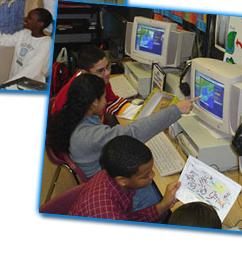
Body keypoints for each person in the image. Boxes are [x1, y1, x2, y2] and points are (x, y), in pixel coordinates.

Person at [46, 73, 198, 209]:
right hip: (106, 189)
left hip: (99, 177)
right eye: (104, 97)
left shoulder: (74, 115)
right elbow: (132, 133)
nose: (106, 101)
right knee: (158, 193)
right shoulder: (88, 135)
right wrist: (176, 110)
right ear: (93, 103)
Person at [68, 135, 181, 222]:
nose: (152, 175)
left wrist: (162, 206)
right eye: (145, 175)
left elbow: (129, 217)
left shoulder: (109, 174)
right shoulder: (109, 216)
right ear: (122, 180)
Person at [50, 44, 135, 124]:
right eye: (100, 70)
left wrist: (139, 111)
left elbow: (111, 101)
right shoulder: (77, 94)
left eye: (108, 66)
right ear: (85, 72)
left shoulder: (99, 80)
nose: (107, 73)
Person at [0, 6, 53, 83]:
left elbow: (31, 71)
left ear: (39, 24)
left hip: (30, 87)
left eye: (29, 18)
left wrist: (4, 86)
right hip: (14, 84)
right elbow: (0, 41)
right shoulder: (24, 34)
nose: (25, 18)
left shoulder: (47, 44)